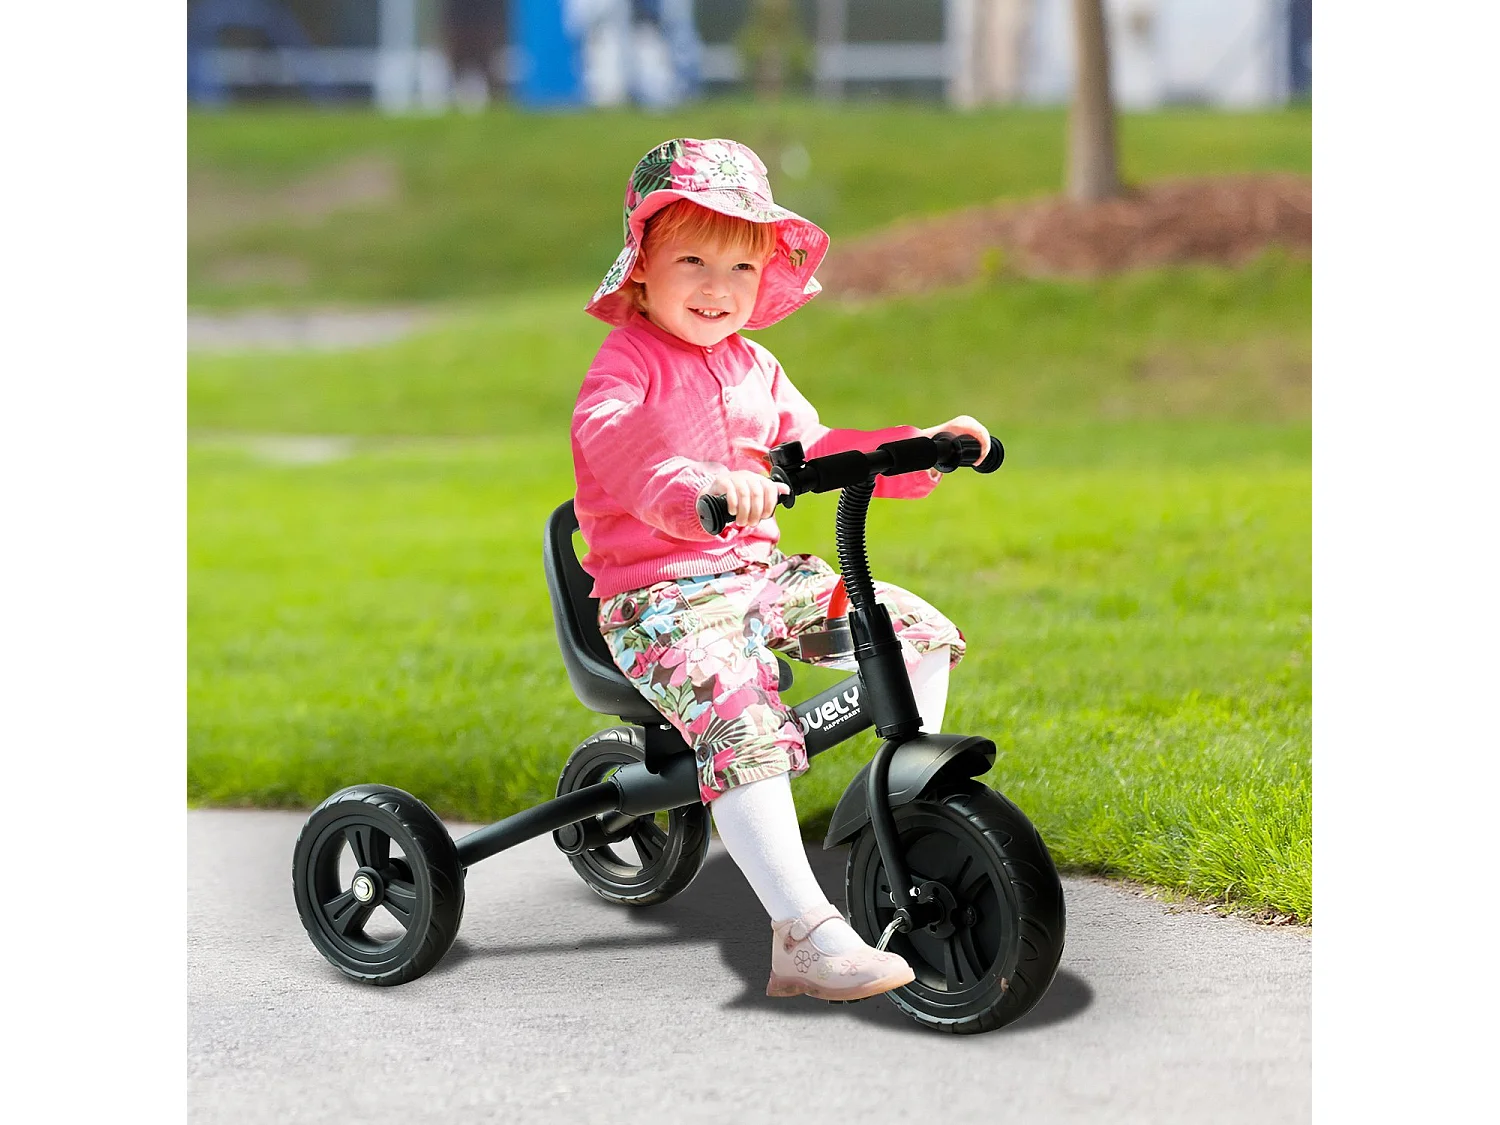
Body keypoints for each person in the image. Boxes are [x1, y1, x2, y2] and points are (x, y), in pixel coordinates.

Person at [571, 138, 989, 1002]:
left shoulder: (756, 365)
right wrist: (699, 488)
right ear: (642, 265)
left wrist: (920, 447)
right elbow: (619, 445)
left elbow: (818, 447)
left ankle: (898, 821)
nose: (718, 286)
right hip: (659, 600)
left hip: (759, 580)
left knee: (913, 633)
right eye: (692, 260)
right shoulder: (625, 367)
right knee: (744, 724)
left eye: (741, 266)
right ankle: (801, 931)